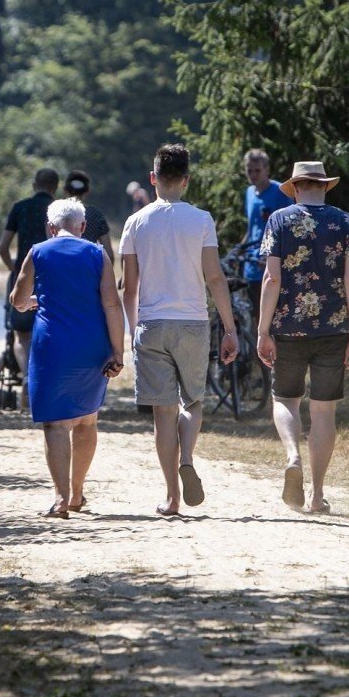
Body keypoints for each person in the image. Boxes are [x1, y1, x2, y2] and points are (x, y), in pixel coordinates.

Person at [120, 144, 239, 517]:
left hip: (151, 324)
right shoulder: (201, 219)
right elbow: (215, 277)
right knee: (193, 402)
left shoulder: (135, 222)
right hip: (192, 323)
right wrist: (230, 329)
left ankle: (171, 497)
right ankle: (187, 456)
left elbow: (129, 286)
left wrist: (129, 331)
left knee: (163, 414)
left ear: (153, 178)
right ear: (186, 180)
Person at [255, 161, 349, 514]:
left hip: (288, 327)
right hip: (334, 330)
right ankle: (317, 495)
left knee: (286, 399)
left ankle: (292, 456)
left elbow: (271, 280)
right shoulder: (346, 222)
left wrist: (262, 330)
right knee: (323, 412)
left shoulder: (279, 220)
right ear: (323, 186)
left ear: (296, 186)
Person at [11, 199, 125, 518]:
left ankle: (60, 499)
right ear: (83, 227)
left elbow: (18, 299)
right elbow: (112, 306)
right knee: (87, 419)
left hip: (53, 346)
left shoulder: (38, 252)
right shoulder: (97, 253)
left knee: (55, 424)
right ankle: (77, 494)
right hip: (92, 345)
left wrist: (32, 301)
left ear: (50, 227)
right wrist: (118, 352)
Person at [0, 169, 58, 397]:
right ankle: (45, 378)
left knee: (21, 334)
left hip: (24, 276)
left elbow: (3, 247)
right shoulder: (58, 210)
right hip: (53, 277)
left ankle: (27, 376)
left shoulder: (19, 207)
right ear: (55, 187)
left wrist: (15, 270)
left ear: (34, 185)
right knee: (50, 330)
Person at [240, 148, 292, 318]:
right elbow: (251, 227)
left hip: (271, 265)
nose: (253, 175)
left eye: (257, 170)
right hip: (252, 265)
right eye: (249, 171)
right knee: (255, 315)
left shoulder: (280, 192)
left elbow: (290, 229)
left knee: (272, 316)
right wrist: (239, 248)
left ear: (267, 170)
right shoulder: (249, 192)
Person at [64, 170, 115, 264]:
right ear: (87, 191)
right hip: (89, 271)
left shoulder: (56, 213)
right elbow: (109, 254)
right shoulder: (96, 214)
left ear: (65, 190)